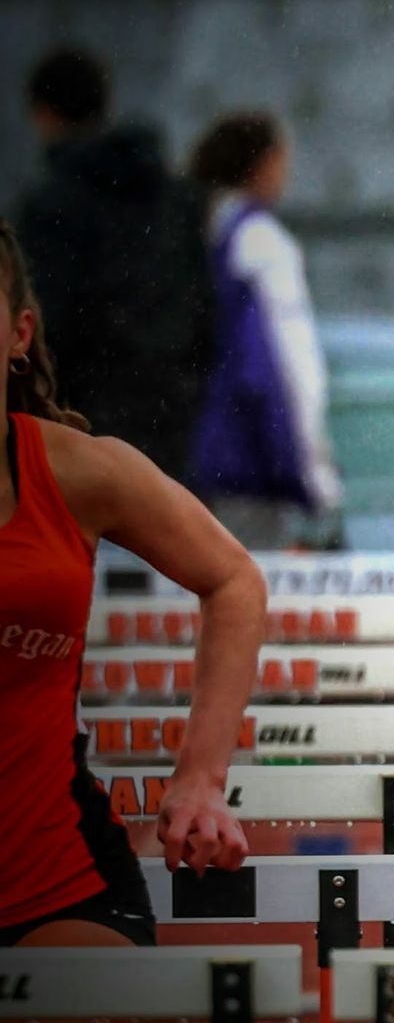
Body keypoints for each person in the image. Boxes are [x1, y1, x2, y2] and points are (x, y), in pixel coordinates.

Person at [0, 217, 262, 948]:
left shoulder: (79, 473)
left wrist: (200, 779)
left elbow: (234, 579)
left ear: (19, 336)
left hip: (56, 888)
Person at [15, 46, 214, 482]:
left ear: (44, 114)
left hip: (88, 417)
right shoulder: (178, 196)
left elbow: (47, 320)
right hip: (173, 413)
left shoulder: (55, 203)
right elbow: (204, 308)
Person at [188, 113, 344, 551]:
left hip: (203, 451)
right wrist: (314, 469)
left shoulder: (204, 235)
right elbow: (289, 366)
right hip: (252, 459)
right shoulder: (264, 243)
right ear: (266, 163)